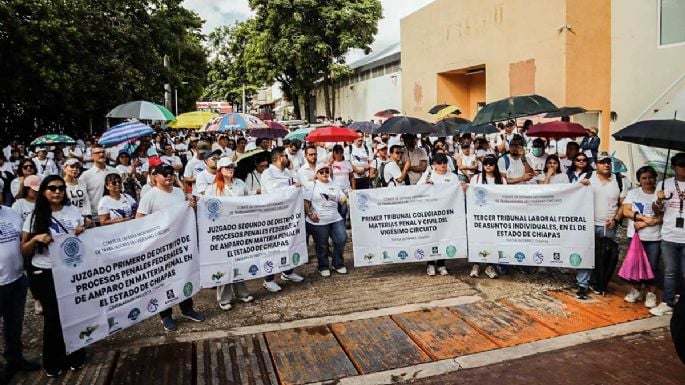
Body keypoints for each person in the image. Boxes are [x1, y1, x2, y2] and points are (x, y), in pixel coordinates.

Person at [20, 176, 87, 377]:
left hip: (71, 271)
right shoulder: (33, 216)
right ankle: (53, 360)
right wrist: (36, 239)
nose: (57, 192)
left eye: (61, 188)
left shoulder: (73, 211)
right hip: (46, 272)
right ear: (43, 191)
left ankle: (75, 355)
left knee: (74, 314)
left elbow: (82, 238)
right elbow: (23, 249)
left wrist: (83, 230)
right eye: (52, 188)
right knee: (53, 318)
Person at [136, 164, 205, 331]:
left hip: (179, 243)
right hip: (160, 246)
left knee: (183, 274)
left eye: (171, 174)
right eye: (165, 174)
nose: (169, 176)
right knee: (164, 281)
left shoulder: (178, 192)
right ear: (155, 177)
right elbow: (139, 219)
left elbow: (183, 213)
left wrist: (190, 206)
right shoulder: (149, 196)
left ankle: (187, 309)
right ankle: (166, 316)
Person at [204, 158, 254, 310]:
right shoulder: (213, 189)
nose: (230, 169)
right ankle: (224, 298)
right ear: (220, 170)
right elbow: (208, 210)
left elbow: (248, 198)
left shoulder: (240, 183)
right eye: (227, 167)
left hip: (239, 229)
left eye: (232, 166)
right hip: (223, 232)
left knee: (239, 260)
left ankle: (242, 292)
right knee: (224, 264)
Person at [575, 152, 627, 299]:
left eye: (608, 162)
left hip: (608, 225)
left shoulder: (620, 180)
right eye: (602, 162)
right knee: (587, 253)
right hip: (588, 224)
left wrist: (616, 219)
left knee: (604, 255)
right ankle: (583, 284)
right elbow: (575, 196)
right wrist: (581, 185)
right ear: (596, 164)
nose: (606, 165)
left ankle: (599, 282)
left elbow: (623, 204)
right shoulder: (586, 177)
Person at [0, 205, 41, 382]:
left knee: (15, 323)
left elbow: (23, 241)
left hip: (17, 278)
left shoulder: (11, 213)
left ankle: (15, 359)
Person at [259, 147, 304, 292]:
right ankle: (269, 279)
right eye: (285, 156)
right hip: (271, 216)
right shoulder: (268, 173)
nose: (288, 158)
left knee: (288, 243)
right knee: (272, 248)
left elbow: (297, 183)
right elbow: (274, 193)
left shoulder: (287, 172)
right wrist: (293, 187)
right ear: (279, 158)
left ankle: (288, 271)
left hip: (287, 215)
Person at [621, 166, 661, 309]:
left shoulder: (660, 194)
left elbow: (664, 214)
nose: (648, 180)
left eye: (650, 177)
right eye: (644, 178)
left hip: (655, 237)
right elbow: (626, 211)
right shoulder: (633, 193)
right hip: (635, 236)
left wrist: (652, 222)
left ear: (655, 178)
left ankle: (651, 293)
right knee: (635, 265)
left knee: (653, 265)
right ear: (639, 180)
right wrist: (642, 218)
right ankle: (637, 290)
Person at [652, 153, 685, 316]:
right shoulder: (664, 184)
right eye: (680, 164)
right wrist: (658, 200)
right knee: (671, 271)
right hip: (669, 235)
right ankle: (668, 301)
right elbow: (656, 211)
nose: (684, 167)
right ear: (673, 167)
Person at [418, 153, 460, 276]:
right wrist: (425, 185)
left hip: (447, 213)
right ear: (434, 165)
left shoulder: (453, 177)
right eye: (439, 163)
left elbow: (457, 192)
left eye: (444, 162)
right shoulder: (428, 175)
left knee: (444, 238)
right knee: (431, 237)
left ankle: (441, 264)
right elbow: (417, 189)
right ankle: (430, 264)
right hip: (431, 212)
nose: (443, 165)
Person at [304, 163, 348, 277]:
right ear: (317, 174)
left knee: (341, 239)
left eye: (326, 171)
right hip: (319, 221)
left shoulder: (334, 184)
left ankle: (337, 263)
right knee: (322, 245)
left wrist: (347, 197)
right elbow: (305, 201)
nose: (324, 174)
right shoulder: (311, 185)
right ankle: (323, 266)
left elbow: (341, 199)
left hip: (335, 218)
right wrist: (309, 214)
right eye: (321, 172)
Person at [469, 155, 506, 279]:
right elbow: (470, 193)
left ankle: (490, 266)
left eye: (491, 164)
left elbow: (505, 196)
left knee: (492, 239)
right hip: (479, 214)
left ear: (495, 166)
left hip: (495, 215)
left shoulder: (501, 179)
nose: (488, 166)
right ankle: (476, 264)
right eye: (485, 164)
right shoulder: (476, 178)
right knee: (477, 238)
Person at [80, 144, 116, 223]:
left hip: (115, 216)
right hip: (96, 217)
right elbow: (83, 198)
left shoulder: (115, 171)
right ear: (92, 156)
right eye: (98, 153)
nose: (101, 154)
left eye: (103, 152)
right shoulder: (85, 176)